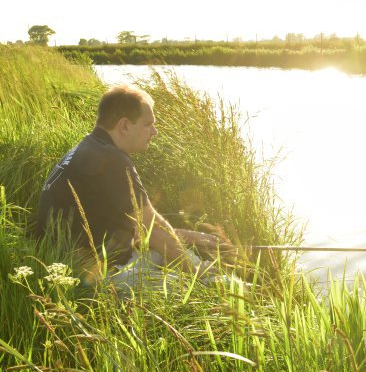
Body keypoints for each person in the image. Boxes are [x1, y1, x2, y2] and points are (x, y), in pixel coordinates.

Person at [37, 84, 229, 287]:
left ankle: (217, 277)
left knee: (176, 252)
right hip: (95, 277)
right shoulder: (112, 159)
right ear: (125, 126)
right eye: (148, 124)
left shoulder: (88, 148)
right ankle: (228, 287)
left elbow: (137, 227)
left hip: (73, 263)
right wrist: (196, 271)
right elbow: (152, 229)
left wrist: (192, 237)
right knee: (193, 288)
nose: (154, 131)